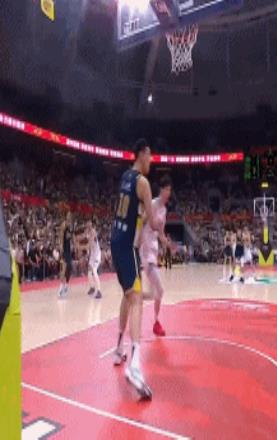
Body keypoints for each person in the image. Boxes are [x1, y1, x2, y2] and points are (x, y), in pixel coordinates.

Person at [110, 139, 160, 400]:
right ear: (142, 154)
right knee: (138, 299)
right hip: (128, 246)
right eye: (150, 155)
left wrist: (140, 215)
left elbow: (131, 211)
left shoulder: (125, 177)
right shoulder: (143, 182)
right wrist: (156, 218)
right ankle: (136, 364)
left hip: (115, 240)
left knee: (128, 296)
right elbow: (152, 221)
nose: (152, 160)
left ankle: (119, 349)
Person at [140, 175, 171, 337]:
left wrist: (168, 244)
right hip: (146, 253)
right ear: (161, 190)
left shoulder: (164, 210)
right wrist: (137, 243)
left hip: (154, 251)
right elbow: (141, 223)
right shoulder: (151, 204)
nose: (168, 193)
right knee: (160, 290)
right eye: (166, 189)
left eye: (170, 190)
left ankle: (135, 298)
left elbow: (161, 234)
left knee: (154, 294)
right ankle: (156, 323)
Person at [57, 212, 74, 297]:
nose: (69, 216)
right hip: (64, 249)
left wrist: (73, 244)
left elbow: (71, 237)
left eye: (70, 215)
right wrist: (61, 247)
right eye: (68, 215)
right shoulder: (64, 225)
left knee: (70, 267)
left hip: (68, 249)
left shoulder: (71, 226)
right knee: (63, 269)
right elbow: (61, 236)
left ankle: (66, 285)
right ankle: (60, 289)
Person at [86, 220, 102, 299]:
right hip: (92, 255)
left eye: (89, 225)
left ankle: (99, 291)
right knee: (89, 272)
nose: (88, 227)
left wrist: (82, 247)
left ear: (91, 226)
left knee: (94, 271)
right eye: (87, 226)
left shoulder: (93, 232)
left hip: (97, 256)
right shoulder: (88, 233)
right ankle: (92, 287)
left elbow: (91, 244)